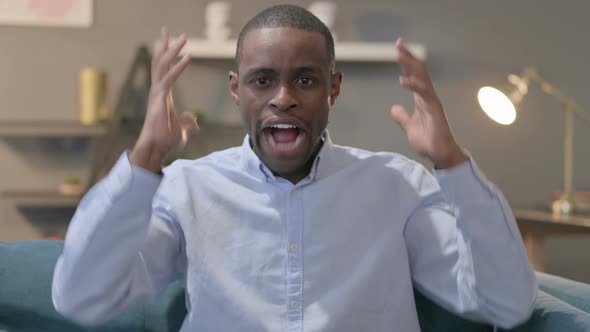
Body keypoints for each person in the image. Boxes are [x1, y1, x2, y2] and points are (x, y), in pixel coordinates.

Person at [52, 4, 537, 331]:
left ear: (334, 88)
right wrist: (144, 159)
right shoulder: (187, 187)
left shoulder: (399, 185)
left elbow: (508, 303)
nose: (283, 99)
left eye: (305, 80)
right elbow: (79, 297)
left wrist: (451, 163)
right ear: (237, 89)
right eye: (262, 80)